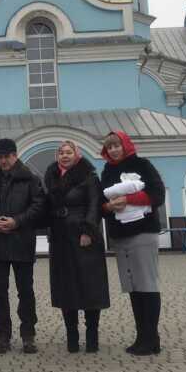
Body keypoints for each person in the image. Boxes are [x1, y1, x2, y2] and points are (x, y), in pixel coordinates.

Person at [0, 138, 46, 354]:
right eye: (0, 157)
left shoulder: (30, 179)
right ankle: (2, 335)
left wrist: (17, 221)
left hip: (21, 241)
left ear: (15, 155)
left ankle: (28, 335)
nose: (3, 160)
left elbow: (38, 205)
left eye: (7, 156)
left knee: (25, 291)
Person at [100, 131, 166, 356]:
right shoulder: (107, 171)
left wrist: (127, 199)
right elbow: (102, 201)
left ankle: (152, 338)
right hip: (120, 234)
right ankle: (141, 336)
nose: (114, 150)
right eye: (110, 147)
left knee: (146, 285)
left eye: (117, 145)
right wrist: (108, 207)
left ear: (125, 145)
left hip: (143, 232)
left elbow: (157, 194)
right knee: (133, 287)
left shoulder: (142, 165)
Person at [44, 141, 109, 353]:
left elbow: (94, 205)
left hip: (83, 236)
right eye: (61, 152)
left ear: (77, 154)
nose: (64, 155)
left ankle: (92, 337)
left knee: (89, 286)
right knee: (66, 287)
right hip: (60, 238)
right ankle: (72, 336)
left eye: (68, 152)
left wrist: (88, 231)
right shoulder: (52, 176)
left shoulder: (89, 176)